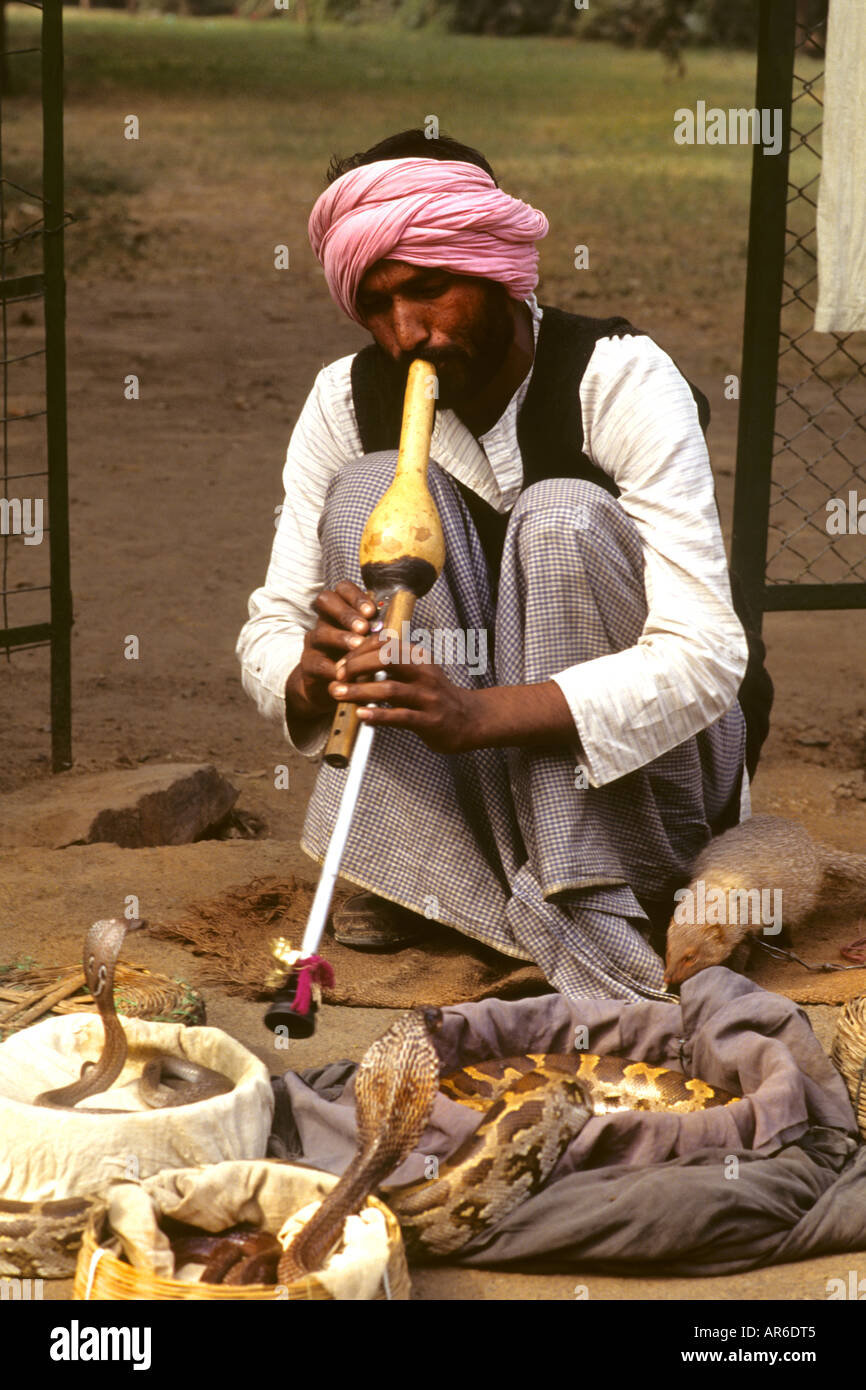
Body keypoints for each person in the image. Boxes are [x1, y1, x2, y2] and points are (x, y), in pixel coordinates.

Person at [237, 129, 771, 1003]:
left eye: (428, 289)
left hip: (648, 795)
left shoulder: (623, 381)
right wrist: (307, 672)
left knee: (560, 516)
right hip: (464, 775)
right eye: (375, 303)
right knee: (369, 489)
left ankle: (585, 890)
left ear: (494, 266)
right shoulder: (344, 400)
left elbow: (707, 654)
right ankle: (418, 864)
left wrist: (477, 712)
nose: (405, 331)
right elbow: (268, 625)